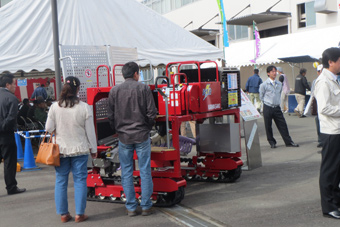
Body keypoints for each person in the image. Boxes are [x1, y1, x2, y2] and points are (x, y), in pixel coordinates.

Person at [108, 61, 157, 216]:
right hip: (142, 135)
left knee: (127, 171)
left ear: (123, 74)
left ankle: (130, 207)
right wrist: (147, 128)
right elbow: (151, 113)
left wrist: (118, 130)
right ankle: (146, 206)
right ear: (136, 74)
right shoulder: (144, 88)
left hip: (123, 137)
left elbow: (110, 116)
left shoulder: (114, 91)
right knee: (145, 170)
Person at [45, 76, 97, 223]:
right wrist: (93, 148)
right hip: (80, 149)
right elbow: (90, 132)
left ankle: (63, 214)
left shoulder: (55, 107)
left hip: (60, 150)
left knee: (61, 181)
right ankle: (80, 214)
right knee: (80, 180)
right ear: (78, 89)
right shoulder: (84, 107)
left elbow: (48, 128)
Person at [314, 47, 340, 219]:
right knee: (329, 170)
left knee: (337, 170)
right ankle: (329, 207)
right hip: (331, 132)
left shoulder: (334, 79)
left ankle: (335, 202)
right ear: (330, 62)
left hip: (337, 130)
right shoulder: (323, 81)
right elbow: (323, 108)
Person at [259, 65, 299, 149]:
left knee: (283, 124)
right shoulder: (264, 85)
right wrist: (267, 102)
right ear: (268, 73)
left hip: (276, 107)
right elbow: (261, 96)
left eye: (275, 71)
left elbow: (280, 93)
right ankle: (272, 142)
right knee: (268, 125)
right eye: (272, 71)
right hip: (267, 107)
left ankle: (288, 142)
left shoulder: (279, 84)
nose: (274, 73)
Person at [0, 73, 26, 195]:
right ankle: (11, 187)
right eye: (14, 84)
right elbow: (11, 118)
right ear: (7, 85)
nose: (15, 86)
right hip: (6, 135)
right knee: (9, 162)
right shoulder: (11, 98)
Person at [310, 64, 323, 148]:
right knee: (318, 121)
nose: (320, 72)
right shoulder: (315, 81)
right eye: (319, 71)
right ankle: (320, 140)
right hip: (318, 104)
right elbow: (312, 93)